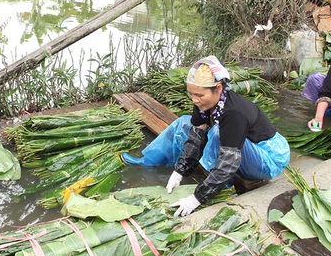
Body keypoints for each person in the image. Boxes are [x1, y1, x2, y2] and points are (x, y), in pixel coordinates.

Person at [122, 56, 291, 218]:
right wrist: (180, 170)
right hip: (240, 146)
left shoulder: (234, 113)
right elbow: (196, 137)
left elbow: (228, 162)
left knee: (219, 134)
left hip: (268, 158)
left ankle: (222, 186)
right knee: (184, 123)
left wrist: (198, 198)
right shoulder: (203, 102)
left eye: (200, 95)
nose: (195, 100)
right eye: (191, 94)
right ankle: (148, 162)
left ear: (218, 88)